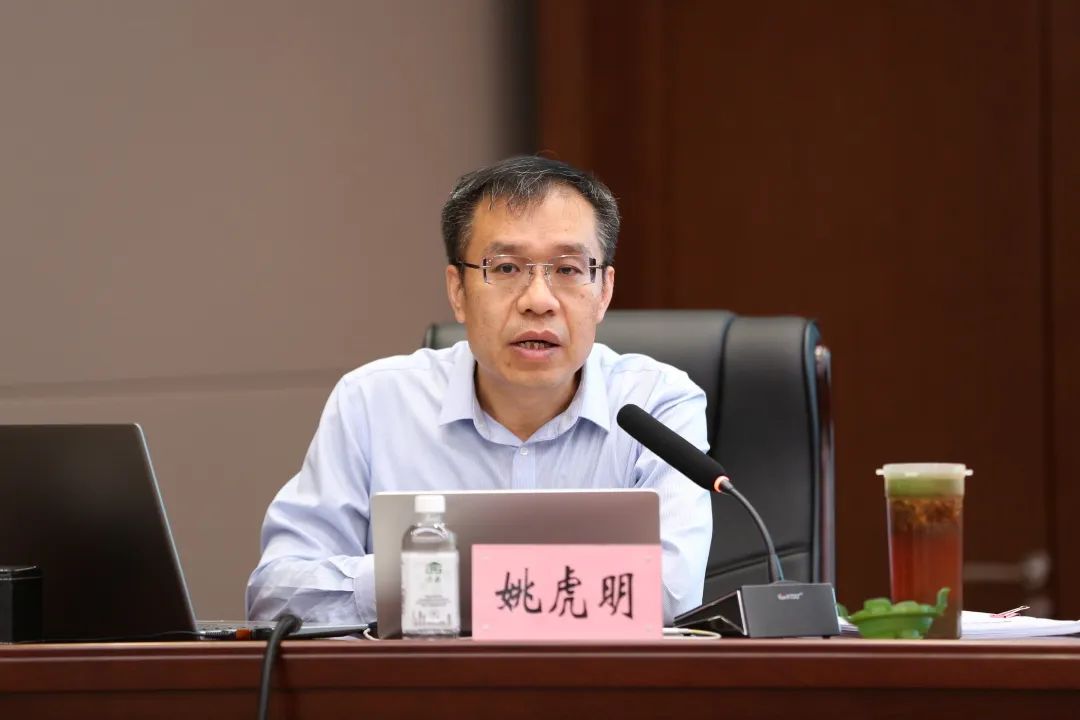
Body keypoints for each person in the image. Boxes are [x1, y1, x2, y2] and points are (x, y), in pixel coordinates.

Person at [246, 156, 712, 625]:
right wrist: (472, 577)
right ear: (458, 291)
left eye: (568, 269)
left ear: (604, 292)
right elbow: (278, 595)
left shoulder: (657, 404)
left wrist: (431, 578)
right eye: (506, 268)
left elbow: (671, 591)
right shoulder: (373, 403)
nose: (538, 301)